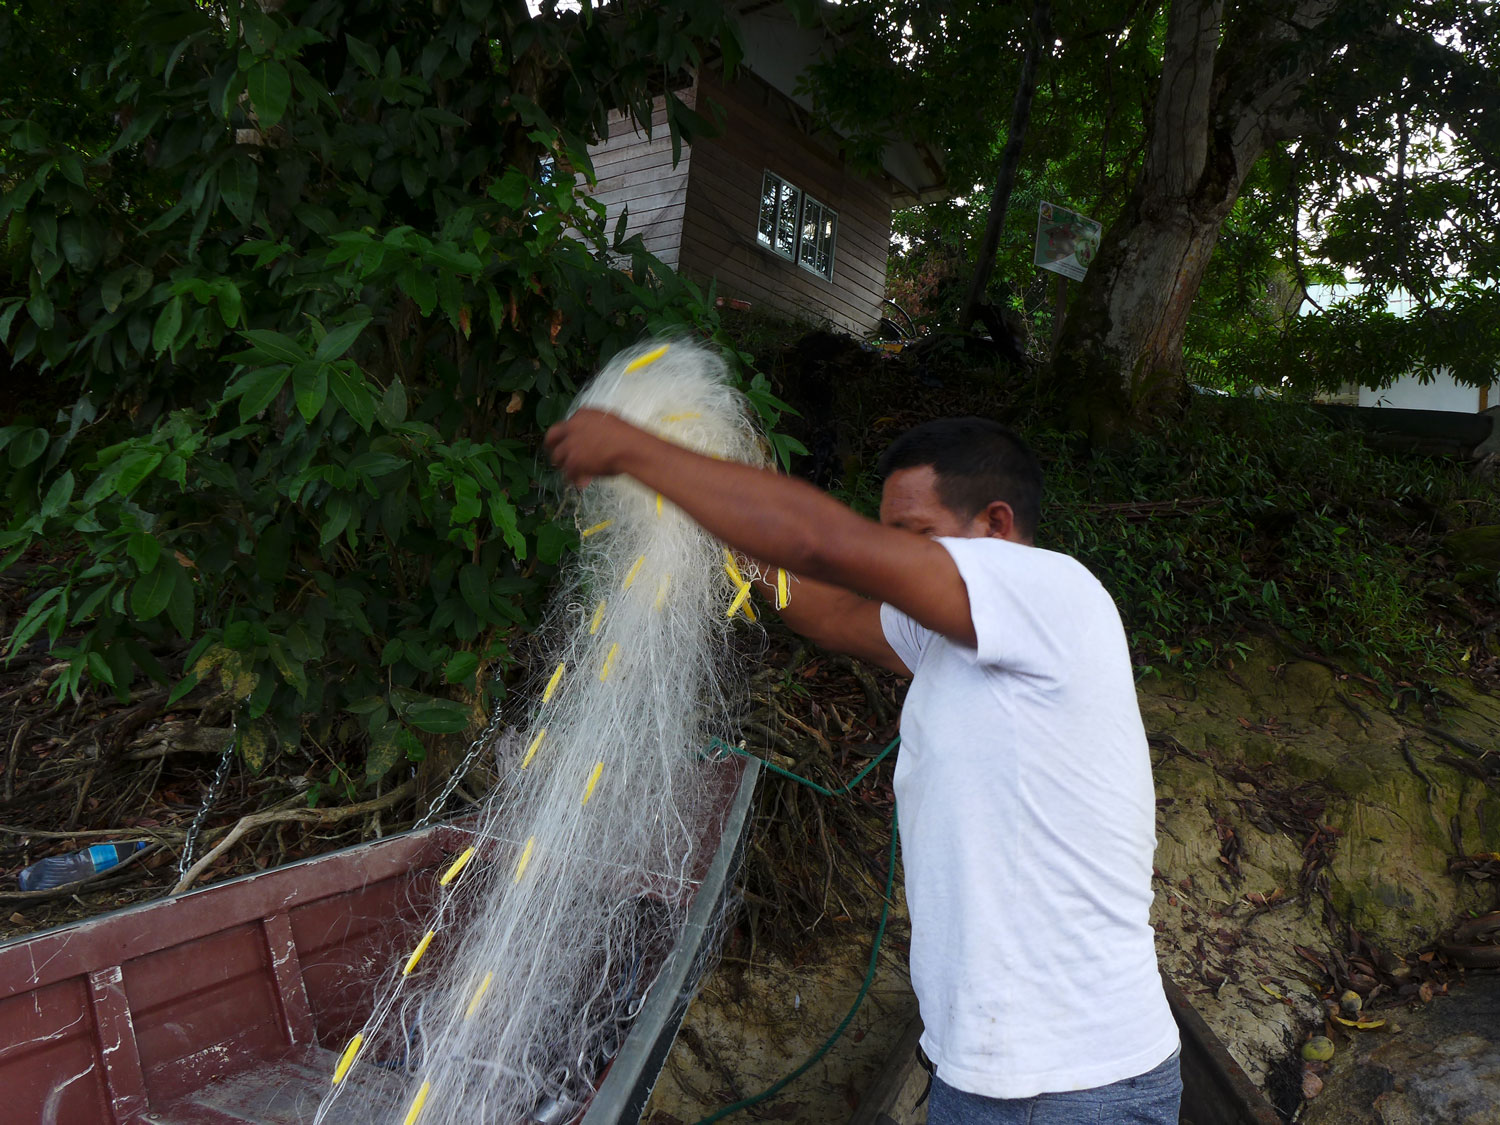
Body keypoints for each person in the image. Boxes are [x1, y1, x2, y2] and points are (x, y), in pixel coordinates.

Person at [545, 409, 1181, 1124]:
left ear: (997, 526)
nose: (890, 557)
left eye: (910, 537)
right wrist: (729, 532)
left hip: (1078, 1085)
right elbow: (826, 609)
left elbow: (828, 546)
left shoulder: (1047, 589)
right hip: (980, 1075)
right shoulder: (954, 635)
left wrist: (639, 450)